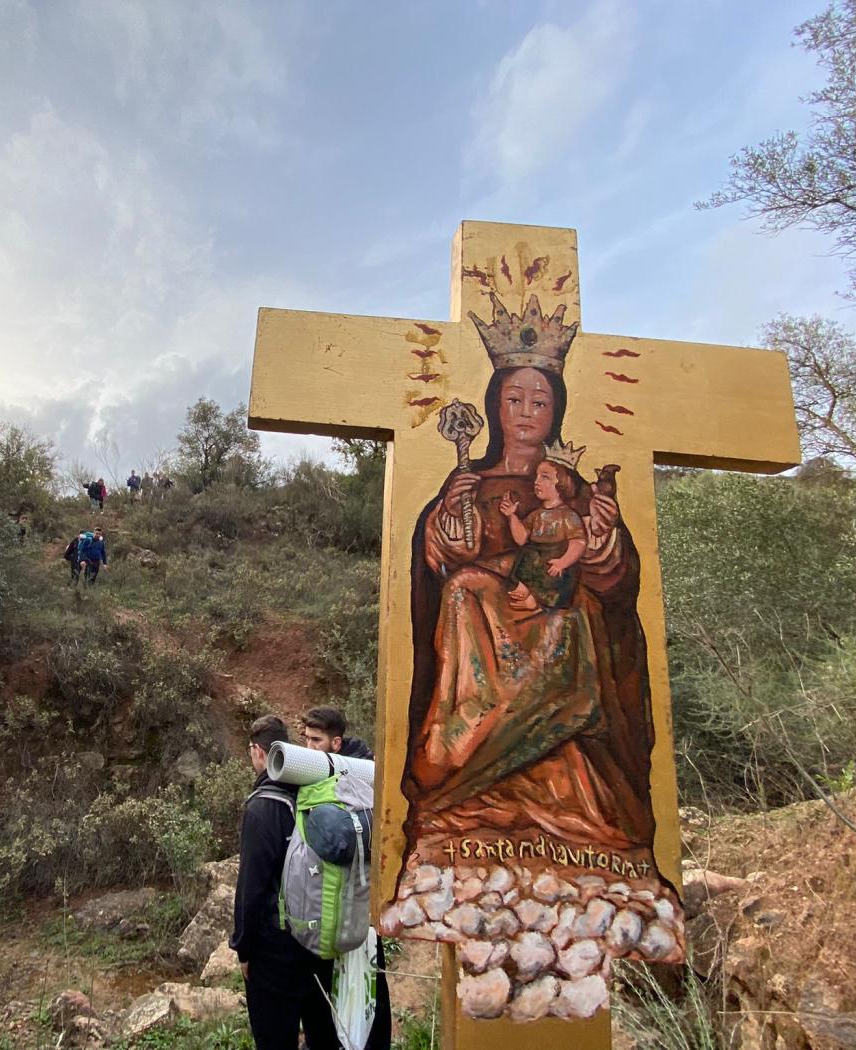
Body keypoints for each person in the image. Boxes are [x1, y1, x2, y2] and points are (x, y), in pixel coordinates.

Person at [398, 290, 670, 911]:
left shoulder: (571, 486)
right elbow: (441, 562)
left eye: (540, 401)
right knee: (465, 592)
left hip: (560, 614)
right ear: (494, 406)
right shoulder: (473, 478)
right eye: (513, 399)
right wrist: (452, 510)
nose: (526, 410)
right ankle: (463, 757)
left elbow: (614, 574)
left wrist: (599, 539)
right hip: (487, 615)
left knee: (568, 621)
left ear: (558, 410)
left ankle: (565, 796)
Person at [232, 716, 340, 1050]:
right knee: (322, 1035)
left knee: (274, 1039)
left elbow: (251, 888)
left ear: (258, 752)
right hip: (318, 940)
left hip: (274, 951)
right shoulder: (311, 794)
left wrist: (243, 949)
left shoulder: (262, 808)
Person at [301, 707, 391, 1050]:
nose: (308, 748)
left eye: (316, 740)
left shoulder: (360, 778)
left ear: (336, 743)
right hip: (330, 904)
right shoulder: (317, 771)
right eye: (306, 739)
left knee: (367, 985)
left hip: (356, 907)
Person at [500, 454, 587, 612]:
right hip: (537, 558)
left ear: (561, 483)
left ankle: (535, 601)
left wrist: (563, 562)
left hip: (557, 561)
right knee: (527, 553)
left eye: (544, 477)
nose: (536, 482)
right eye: (537, 476)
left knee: (553, 576)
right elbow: (521, 539)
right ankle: (523, 586)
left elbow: (578, 542)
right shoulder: (536, 515)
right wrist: (511, 516)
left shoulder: (568, 516)